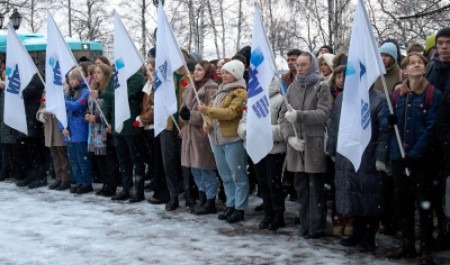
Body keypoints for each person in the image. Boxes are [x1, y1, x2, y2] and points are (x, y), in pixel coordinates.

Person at [385, 53, 442, 265]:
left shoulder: (432, 94)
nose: (416, 66)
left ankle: (425, 246)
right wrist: (388, 121)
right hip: (399, 157)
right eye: (412, 63)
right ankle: (407, 243)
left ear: (425, 68)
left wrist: (415, 154)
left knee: (424, 203)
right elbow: (386, 124)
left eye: (420, 63)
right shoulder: (397, 95)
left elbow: (432, 126)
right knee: (403, 203)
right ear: (405, 70)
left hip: (423, 160)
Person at [326, 83, 389, 252]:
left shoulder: (379, 99)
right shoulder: (342, 98)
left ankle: (369, 236)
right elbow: (334, 125)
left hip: (368, 154)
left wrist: (381, 157)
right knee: (352, 195)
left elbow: (384, 131)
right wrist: (331, 148)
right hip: (346, 152)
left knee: (369, 196)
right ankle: (357, 233)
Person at [279, 51, 332, 238]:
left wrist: (300, 115)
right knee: (301, 188)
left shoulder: (322, 87)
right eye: (297, 65)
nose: (299, 68)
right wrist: (289, 138)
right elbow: (283, 117)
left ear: (312, 66)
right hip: (296, 145)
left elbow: (323, 113)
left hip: (314, 143)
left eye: (303, 65)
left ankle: (316, 226)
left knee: (315, 188)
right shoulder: (292, 88)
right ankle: (305, 224)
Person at [198, 59, 248, 223]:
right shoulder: (219, 91)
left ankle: (239, 208)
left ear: (236, 74)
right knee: (225, 176)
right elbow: (210, 113)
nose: (224, 75)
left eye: (228, 72)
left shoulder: (240, 93)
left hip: (232, 138)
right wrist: (208, 122)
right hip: (217, 139)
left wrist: (209, 111)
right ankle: (230, 204)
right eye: (223, 72)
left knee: (237, 175)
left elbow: (231, 113)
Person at [238, 78, 286, 230]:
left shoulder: (280, 100)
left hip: (274, 149)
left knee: (274, 183)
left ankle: (278, 215)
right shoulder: (252, 99)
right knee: (263, 183)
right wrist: (246, 131)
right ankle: (268, 213)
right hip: (256, 147)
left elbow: (284, 128)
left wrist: (263, 130)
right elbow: (243, 121)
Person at [180, 60, 218, 215]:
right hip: (190, 135)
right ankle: (202, 198)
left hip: (202, 135)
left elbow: (211, 113)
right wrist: (183, 116)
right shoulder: (190, 88)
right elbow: (184, 110)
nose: (195, 72)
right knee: (195, 170)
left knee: (206, 169)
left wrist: (192, 116)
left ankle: (210, 201)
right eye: (195, 69)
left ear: (207, 72)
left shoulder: (211, 88)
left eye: (199, 70)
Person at [135, 58, 170, 205]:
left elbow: (158, 107)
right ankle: (158, 189)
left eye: (152, 69)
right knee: (153, 160)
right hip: (149, 127)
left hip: (157, 126)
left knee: (158, 161)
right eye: (148, 69)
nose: (149, 72)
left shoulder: (160, 86)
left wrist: (143, 118)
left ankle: (162, 192)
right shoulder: (149, 85)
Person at [85, 63, 120, 197]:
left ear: (106, 74)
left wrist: (99, 119)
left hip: (105, 128)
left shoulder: (108, 89)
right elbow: (90, 105)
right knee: (100, 159)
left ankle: (111, 186)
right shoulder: (94, 88)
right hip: (95, 130)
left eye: (99, 72)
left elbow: (110, 107)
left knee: (109, 159)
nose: (95, 75)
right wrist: (88, 114)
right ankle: (105, 184)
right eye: (94, 72)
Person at [62, 70, 92, 194]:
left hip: (80, 130)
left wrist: (60, 102)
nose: (71, 81)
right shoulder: (67, 93)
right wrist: (62, 127)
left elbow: (77, 105)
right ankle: (78, 181)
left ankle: (86, 182)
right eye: (70, 79)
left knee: (82, 158)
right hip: (69, 131)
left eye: (74, 79)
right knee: (73, 159)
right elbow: (62, 113)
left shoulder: (85, 91)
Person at [37, 92, 71, 191]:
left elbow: (61, 107)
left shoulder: (62, 90)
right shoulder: (45, 91)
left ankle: (66, 179)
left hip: (57, 125)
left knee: (62, 154)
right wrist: (40, 113)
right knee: (55, 154)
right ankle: (58, 177)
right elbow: (42, 104)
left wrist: (51, 110)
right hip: (49, 125)